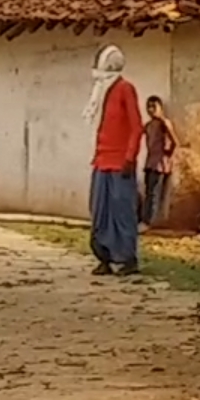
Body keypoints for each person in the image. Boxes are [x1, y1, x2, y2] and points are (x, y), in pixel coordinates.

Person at [84, 46, 143, 276]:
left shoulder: (124, 89)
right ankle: (104, 257)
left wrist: (130, 158)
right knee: (100, 211)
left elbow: (136, 127)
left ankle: (128, 258)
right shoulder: (100, 91)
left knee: (122, 212)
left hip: (120, 164)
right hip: (101, 161)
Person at [141, 95, 181, 229]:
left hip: (161, 164)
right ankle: (149, 220)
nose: (151, 110)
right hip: (150, 162)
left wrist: (168, 153)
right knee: (149, 192)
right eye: (149, 107)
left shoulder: (164, 123)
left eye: (154, 106)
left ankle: (149, 222)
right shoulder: (148, 125)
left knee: (155, 194)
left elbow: (175, 141)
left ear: (161, 108)